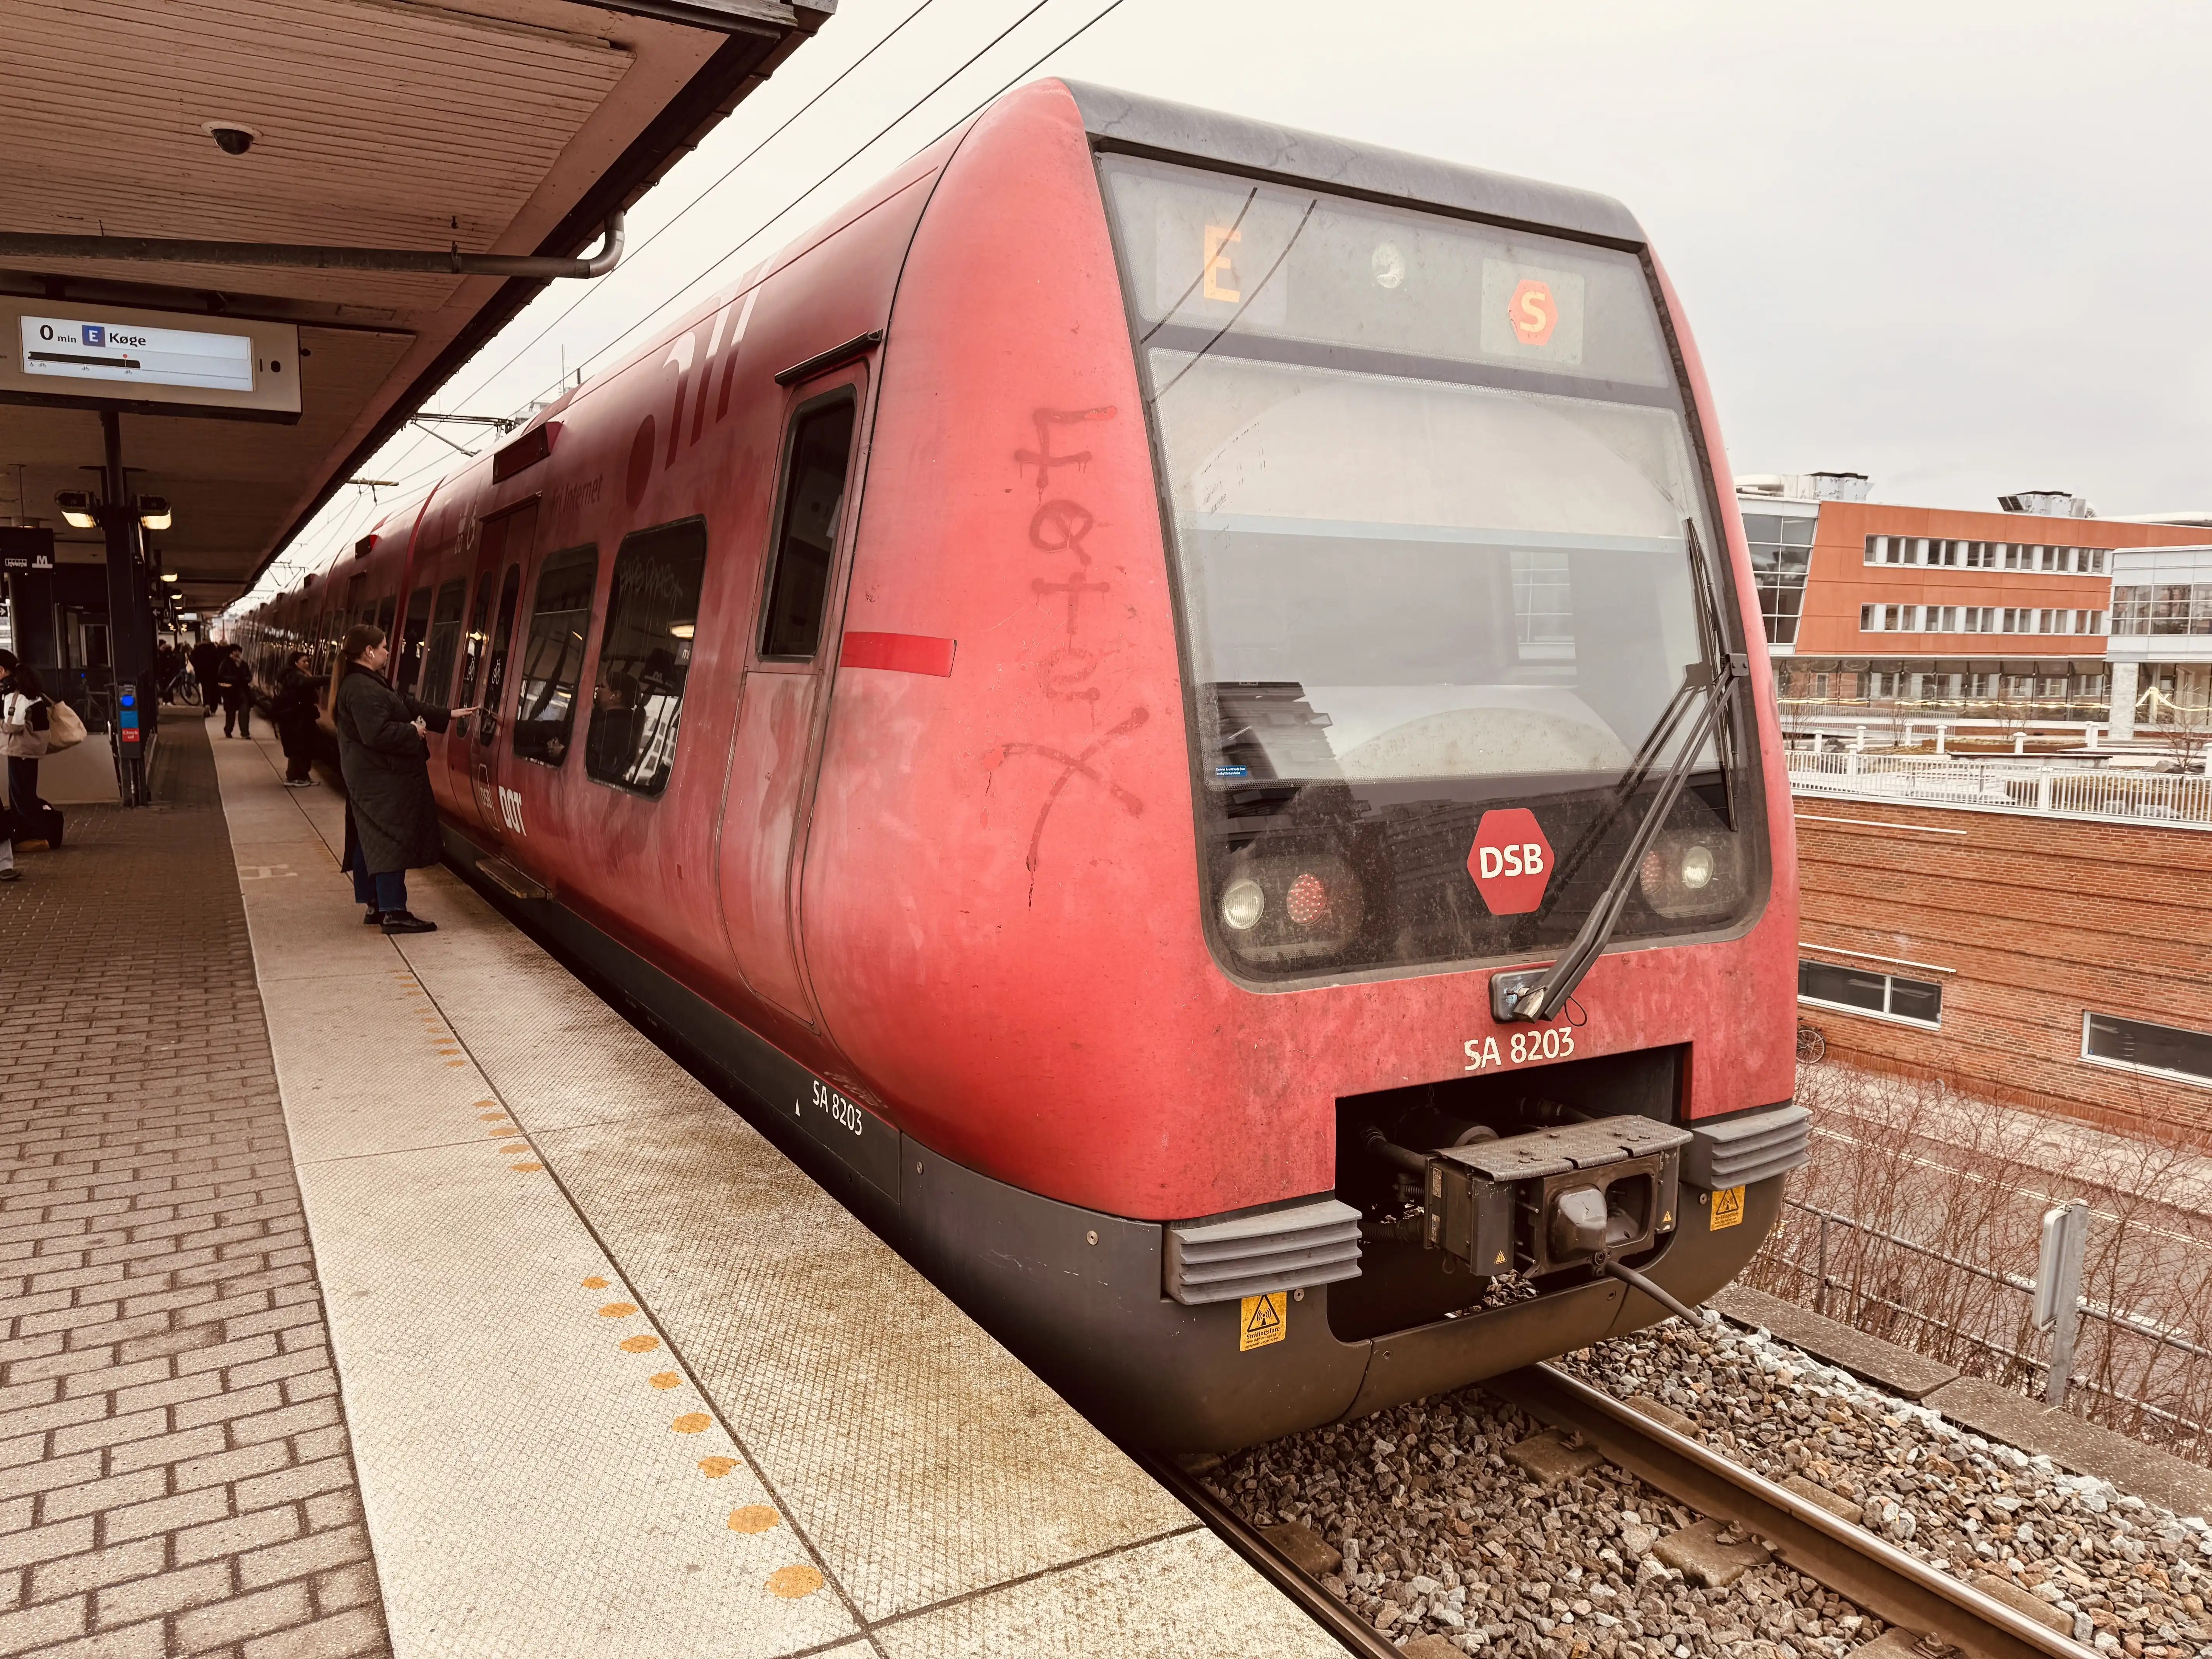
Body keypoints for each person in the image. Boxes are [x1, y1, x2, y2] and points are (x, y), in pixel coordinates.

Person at [331, 624, 473, 933]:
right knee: (390, 841)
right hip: (382, 779)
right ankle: (394, 911)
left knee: (371, 840)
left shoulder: (365, 683)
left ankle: (376, 905)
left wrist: (447, 715)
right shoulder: (362, 688)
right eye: (383, 647)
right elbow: (377, 733)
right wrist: (413, 731)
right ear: (369, 652)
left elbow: (403, 705)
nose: (387, 652)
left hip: (373, 776)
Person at [0, 651, 60, 855]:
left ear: (1, 670)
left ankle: (38, 837)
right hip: (27, 750)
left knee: (22, 796)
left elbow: (13, 726)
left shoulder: (15, 693)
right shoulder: (25, 688)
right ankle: (31, 833)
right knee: (21, 794)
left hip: (22, 750)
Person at [272, 650, 322, 786]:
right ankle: (294, 777)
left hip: (302, 716)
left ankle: (303, 776)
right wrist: (332, 677)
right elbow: (307, 683)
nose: (307, 664)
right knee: (298, 747)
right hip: (296, 717)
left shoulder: (298, 674)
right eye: (304, 661)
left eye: (307, 661)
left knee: (306, 746)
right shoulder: (293, 676)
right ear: (295, 663)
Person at [212, 643, 254, 738]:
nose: (238, 653)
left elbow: (249, 676)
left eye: (239, 651)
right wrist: (235, 679)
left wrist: (245, 679)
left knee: (244, 712)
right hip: (230, 692)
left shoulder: (243, 664)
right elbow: (220, 676)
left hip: (243, 691)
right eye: (236, 651)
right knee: (231, 713)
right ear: (231, 652)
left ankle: (245, 733)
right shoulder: (226, 663)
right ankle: (228, 730)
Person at [189, 638, 222, 716]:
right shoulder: (214, 648)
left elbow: (193, 660)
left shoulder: (198, 649)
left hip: (203, 674)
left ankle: (207, 705)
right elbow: (219, 660)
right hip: (214, 673)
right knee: (214, 690)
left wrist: (198, 670)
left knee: (206, 689)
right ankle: (213, 708)